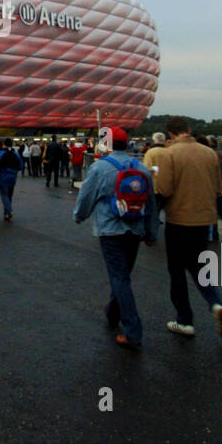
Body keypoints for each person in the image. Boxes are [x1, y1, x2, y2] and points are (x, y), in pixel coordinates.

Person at [73, 127, 159, 349]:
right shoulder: (141, 168)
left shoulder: (99, 168)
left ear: (107, 144)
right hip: (135, 229)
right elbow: (151, 205)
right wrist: (151, 233)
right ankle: (112, 312)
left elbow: (86, 196)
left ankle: (133, 332)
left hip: (110, 230)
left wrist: (79, 216)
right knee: (122, 275)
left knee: (120, 278)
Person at [148, 119, 222, 339]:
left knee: (176, 271)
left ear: (170, 133)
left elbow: (164, 189)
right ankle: (216, 303)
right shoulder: (209, 153)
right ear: (188, 130)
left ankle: (184, 320)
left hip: (178, 221)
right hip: (203, 221)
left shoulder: (169, 154)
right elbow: (217, 189)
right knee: (198, 266)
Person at [0, 139, 22, 221]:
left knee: (4, 195)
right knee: (9, 195)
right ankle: (6, 213)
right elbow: (20, 166)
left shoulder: (0, 153)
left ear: (4, 144)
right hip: (13, 176)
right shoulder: (15, 153)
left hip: (3, 176)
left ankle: (8, 211)